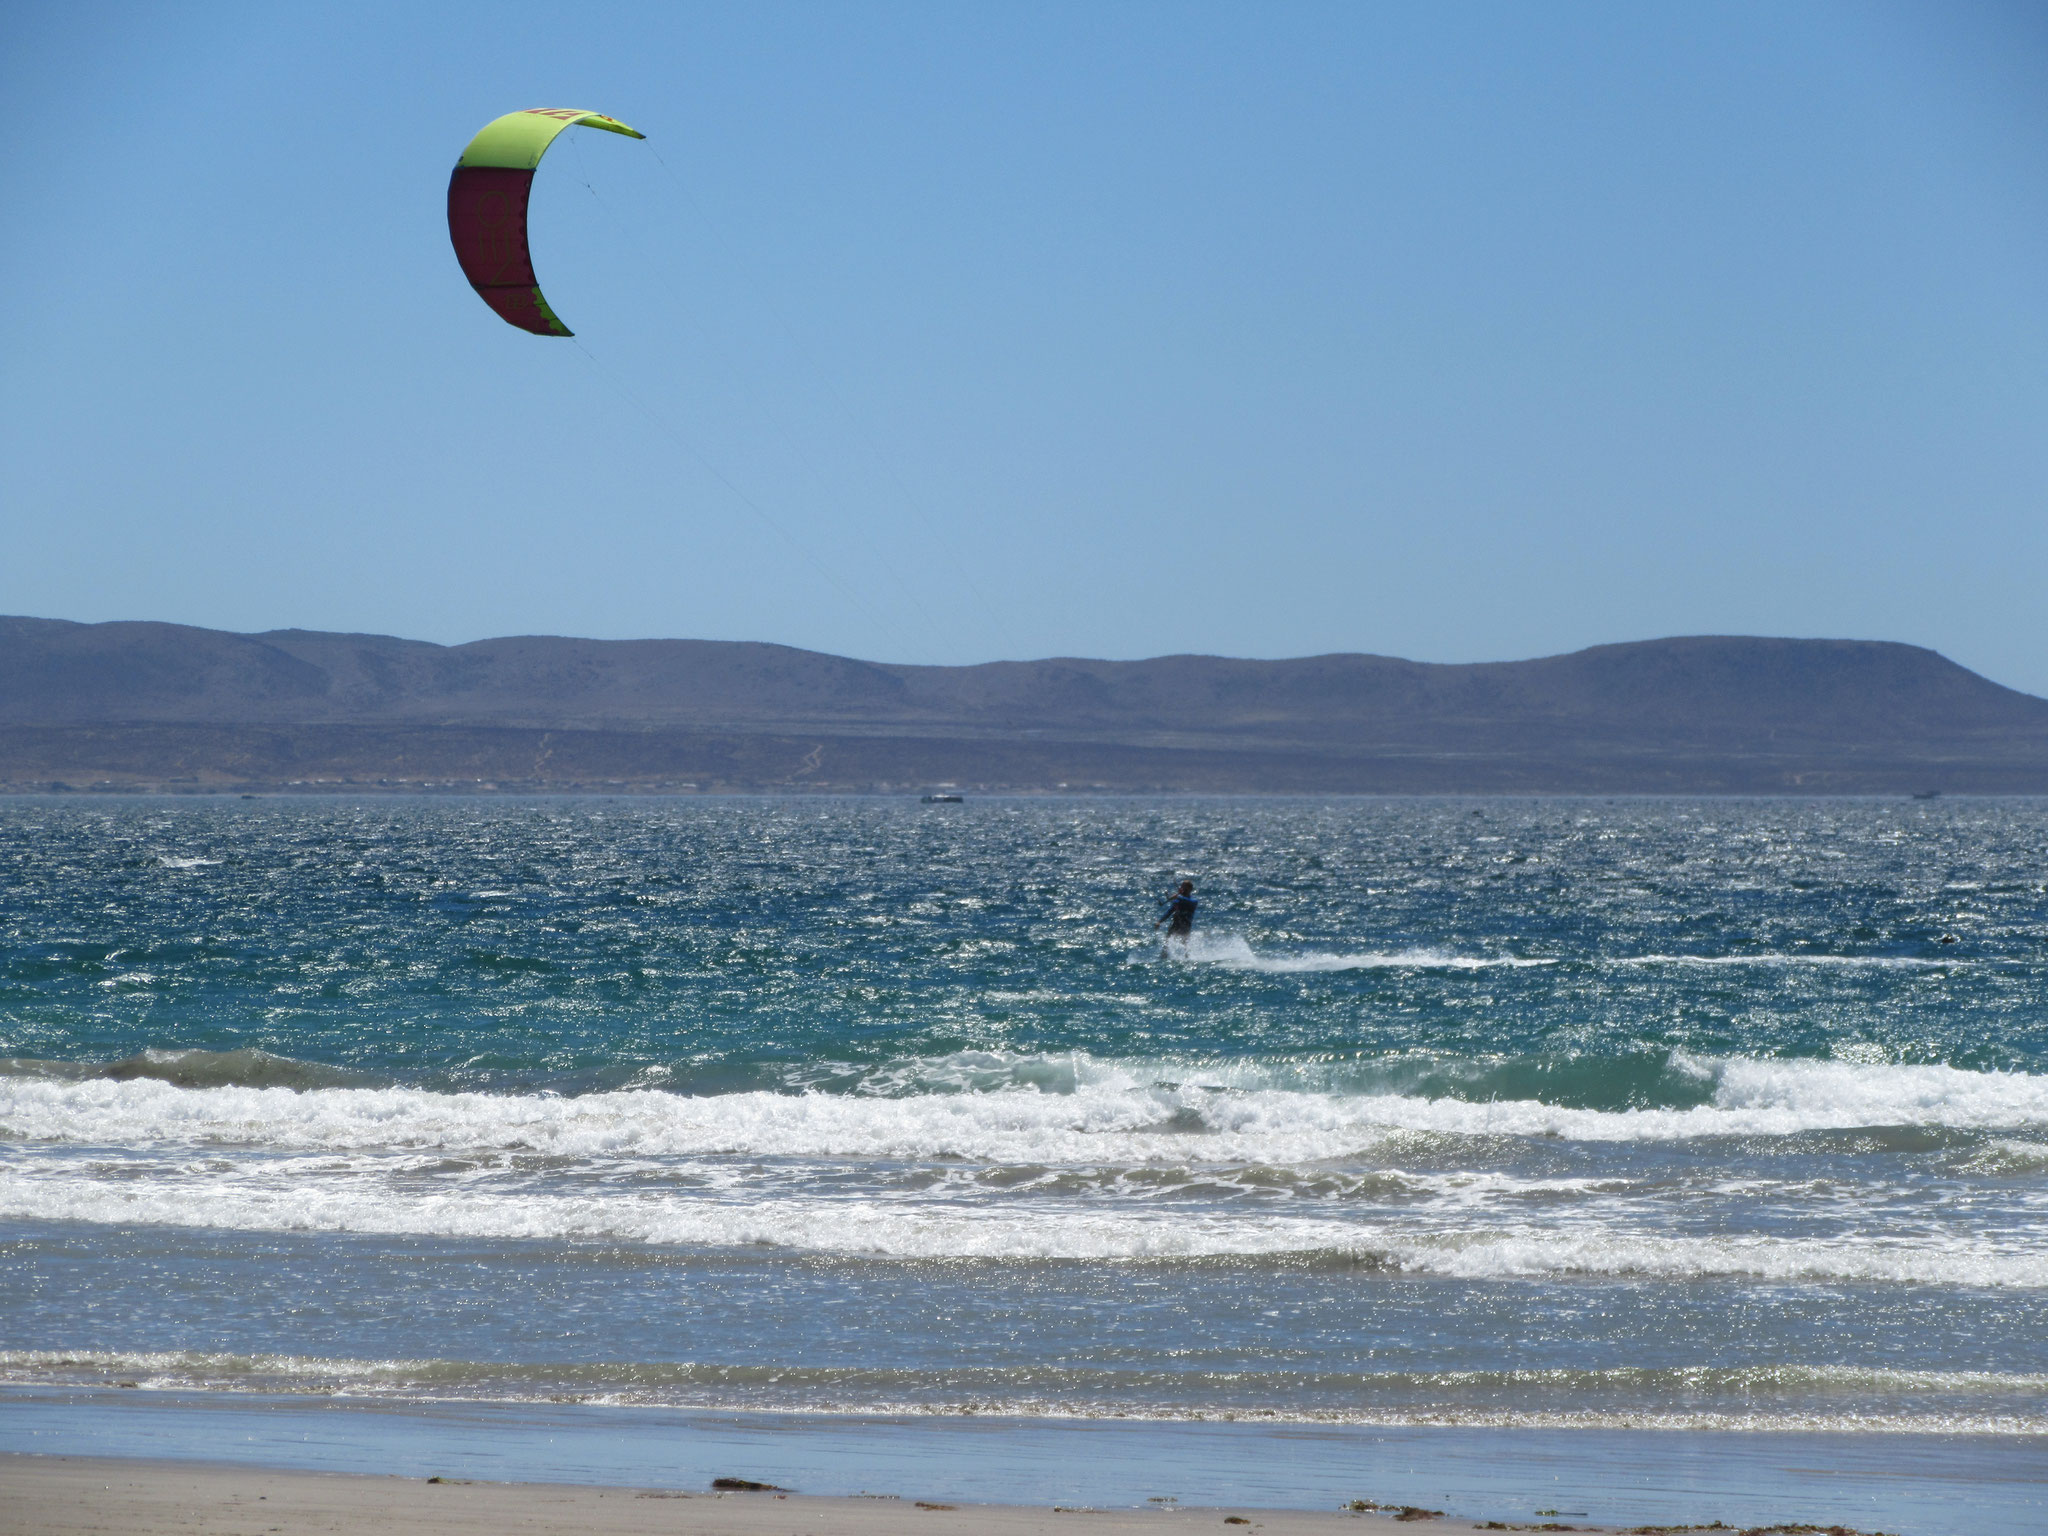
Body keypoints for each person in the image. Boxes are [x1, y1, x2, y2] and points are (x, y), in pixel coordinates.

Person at [1155, 880, 1198, 956]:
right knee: (1167, 941)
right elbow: (1169, 911)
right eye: (1182, 886)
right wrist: (1160, 921)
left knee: (1185, 943)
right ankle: (1163, 957)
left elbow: (1189, 902)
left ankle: (1187, 958)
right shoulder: (1178, 900)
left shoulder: (1193, 901)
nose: (1182, 888)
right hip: (1176, 923)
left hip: (1186, 924)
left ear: (1189, 889)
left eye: (1184, 887)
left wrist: (1178, 896)